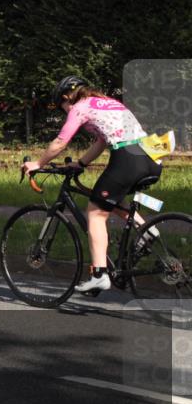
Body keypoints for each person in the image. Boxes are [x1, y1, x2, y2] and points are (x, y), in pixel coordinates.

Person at [22, 76, 162, 294]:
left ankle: (99, 275)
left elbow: (60, 142)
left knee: (96, 213)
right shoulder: (107, 101)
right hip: (152, 158)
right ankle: (147, 230)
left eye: (62, 106)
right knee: (111, 199)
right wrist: (81, 163)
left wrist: (37, 163)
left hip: (128, 158)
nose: (65, 110)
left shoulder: (80, 107)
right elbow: (102, 141)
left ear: (67, 97)